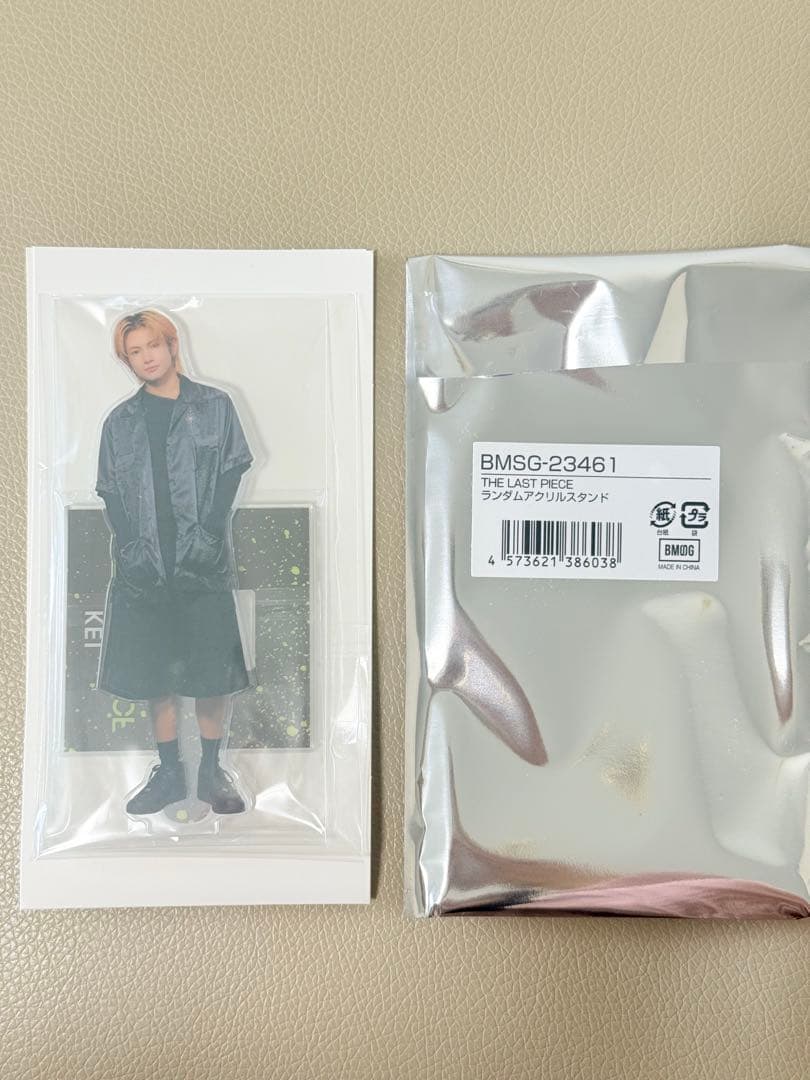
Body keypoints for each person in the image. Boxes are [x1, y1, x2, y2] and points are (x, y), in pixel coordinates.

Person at [95, 309, 254, 816]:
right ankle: (168, 773)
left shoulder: (214, 406)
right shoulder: (119, 423)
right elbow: (109, 491)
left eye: (152, 346)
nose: (146, 358)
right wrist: (129, 547)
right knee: (155, 673)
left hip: (201, 562)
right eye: (134, 352)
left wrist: (210, 532)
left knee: (211, 670)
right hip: (144, 568)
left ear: (171, 344)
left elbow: (231, 470)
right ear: (127, 360)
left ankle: (211, 771)